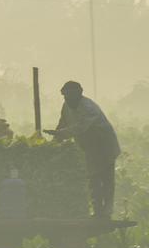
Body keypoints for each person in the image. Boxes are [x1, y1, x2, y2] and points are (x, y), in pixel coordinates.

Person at [44, 81, 121, 219]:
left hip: (104, 145)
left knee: (106, 180)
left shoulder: (88, 108)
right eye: (66, 96)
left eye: (71, 96)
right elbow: (63, 123)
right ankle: (98, 211)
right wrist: (53, 144)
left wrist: (61, 134)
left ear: (80, 94)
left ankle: (106, 212)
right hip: (89, 147)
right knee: (93, 179)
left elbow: (80, 127)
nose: (69, 99)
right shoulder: (66, 106)